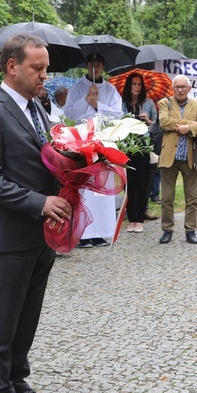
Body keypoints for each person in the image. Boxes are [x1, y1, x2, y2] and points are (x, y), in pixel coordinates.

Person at [0, 33, 72, 393]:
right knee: (3, 321)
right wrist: (39, 202)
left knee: (28, 316)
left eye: (45, 68)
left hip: (41, 234)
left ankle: (18, 381)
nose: (46, 75)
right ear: (12, 67)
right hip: (9, 236)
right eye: (38, 68)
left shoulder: (37, 109)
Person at [63, 52, 123, 248]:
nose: (95, 68)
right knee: (84, 188)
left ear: (103, 67)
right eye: (91, 64)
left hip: (102, 142)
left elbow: (117, 114)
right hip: (81, 144)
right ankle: (83, 233)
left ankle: (101, 231)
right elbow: (69, 113)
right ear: (86, 66)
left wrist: (97, 104)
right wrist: (86, 100)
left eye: (98, 64)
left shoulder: (111, 89)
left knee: (101, 188)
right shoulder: (77, 88)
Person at [157, 75, 197, 245]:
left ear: (189, 88)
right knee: (167, 197)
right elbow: (164, 122)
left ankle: (190, 230)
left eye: (183, 86)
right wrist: (190, 123)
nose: (180, 90)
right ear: (172, 89)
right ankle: (167, 229)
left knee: (192, 198)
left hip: (191, 157)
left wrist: (189, 127)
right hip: (169, 158)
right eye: (177, 87)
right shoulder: (164, 103)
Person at [120, 73, 157, 234]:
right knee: (129, 184)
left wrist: (148, 120)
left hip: (143, 147)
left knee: (142, 183)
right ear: (129, 86)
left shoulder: (148, 103)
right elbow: (116, 124)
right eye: (134, 84)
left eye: (139, 84)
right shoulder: (121, 104)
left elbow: (157, 126)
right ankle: (131, 216)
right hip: (127, 147)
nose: (136, 87)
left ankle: (139, 218)